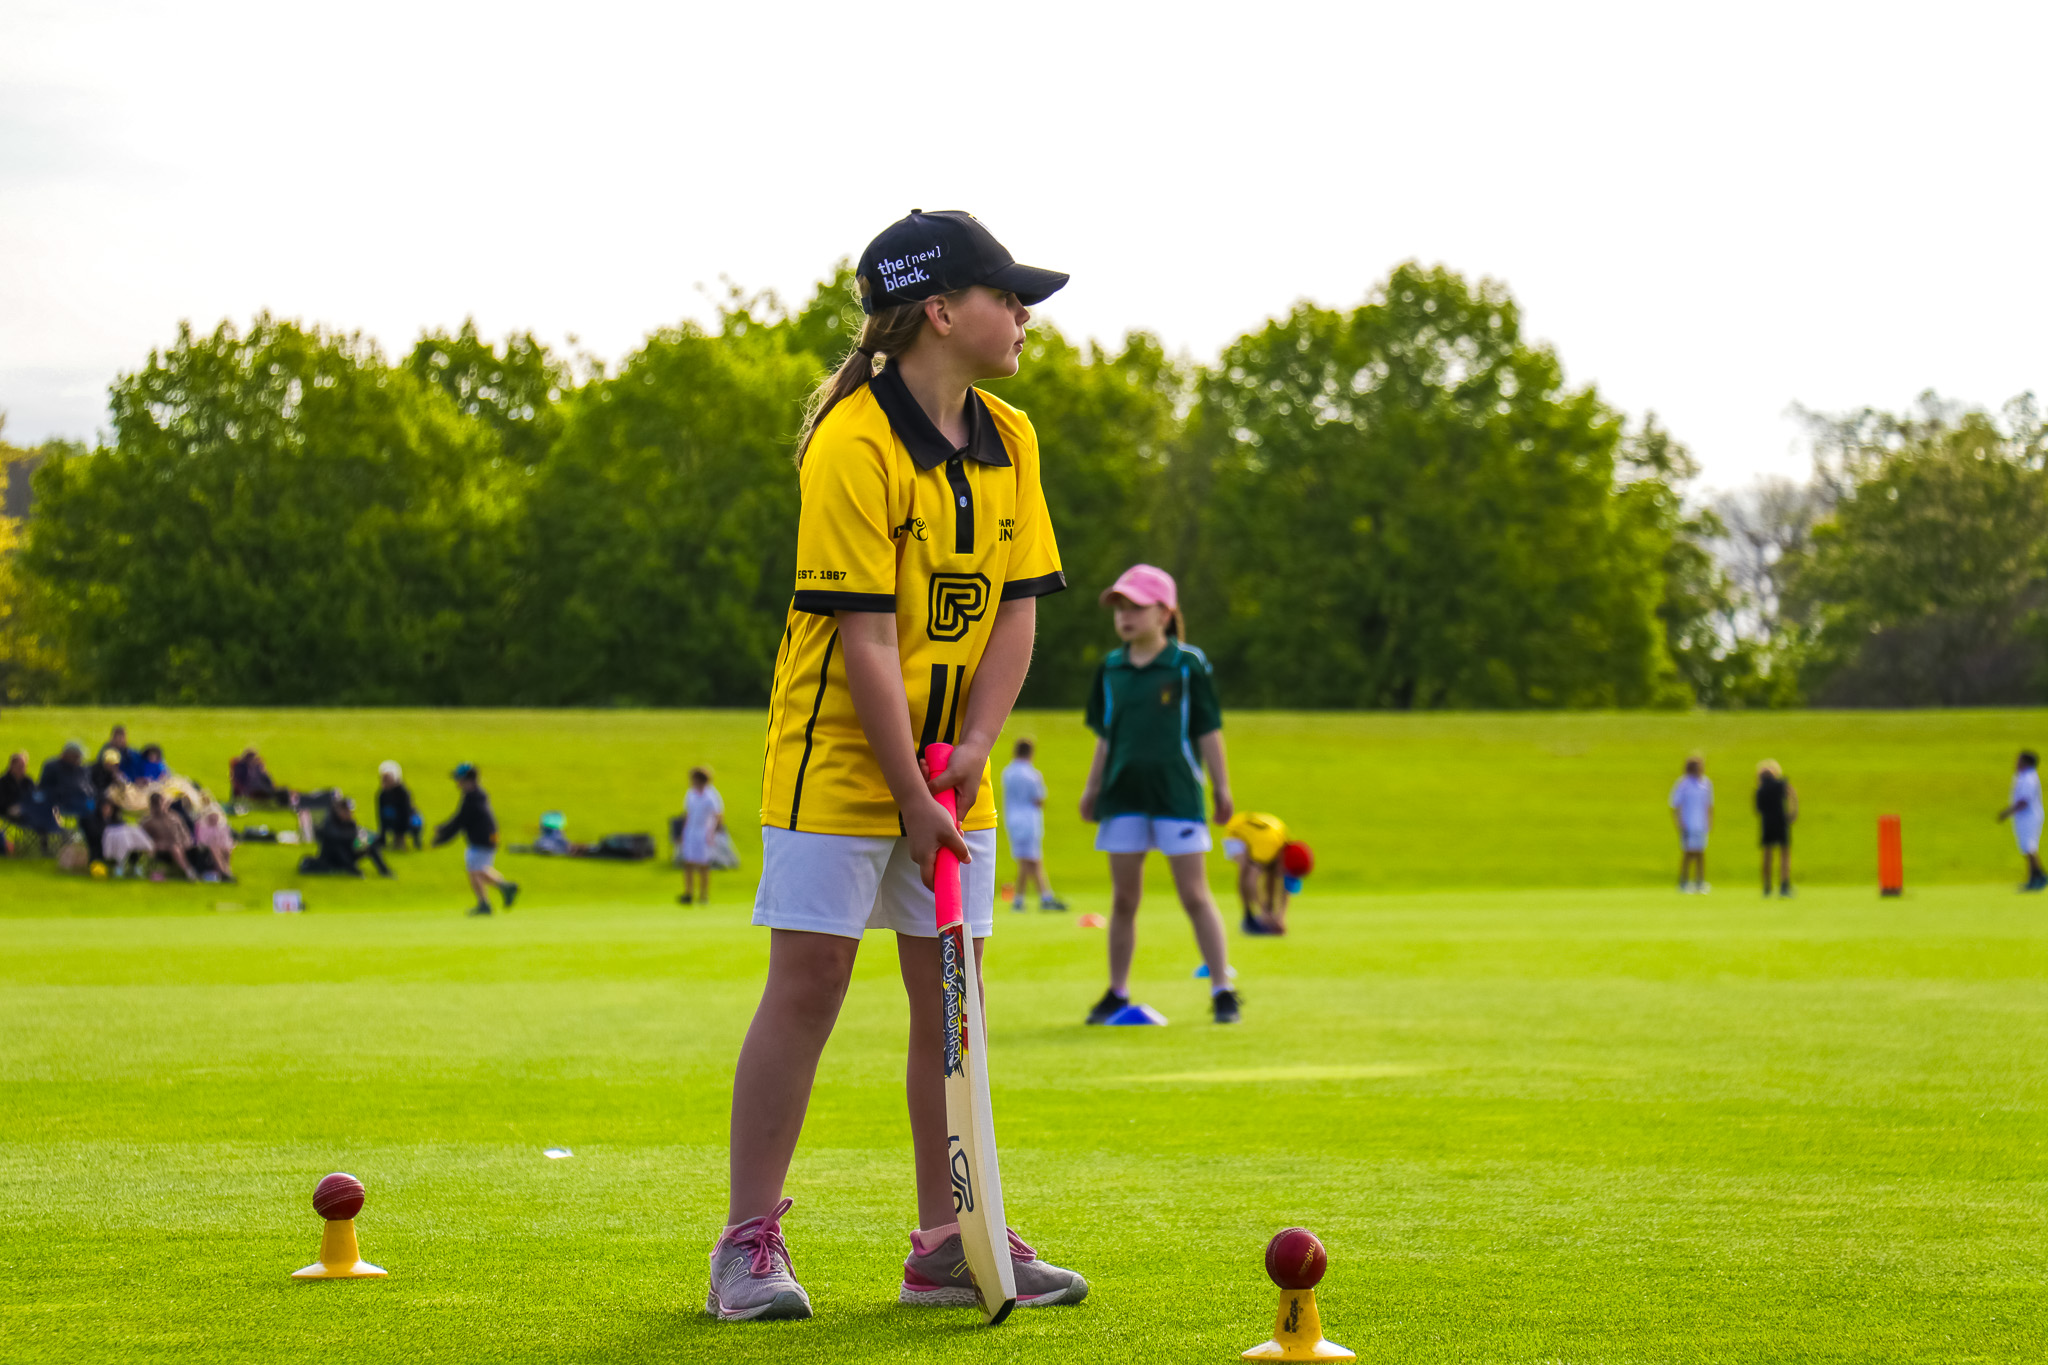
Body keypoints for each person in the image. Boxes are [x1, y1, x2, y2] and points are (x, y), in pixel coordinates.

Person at [719, 211, 1087, 1324]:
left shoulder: (1010, 436)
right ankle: (744, 1245)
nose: (1022, 316)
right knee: (812, 983)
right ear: (938, 310)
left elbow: (1015, 613)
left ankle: (948, 1240)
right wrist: (910, 793)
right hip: (836, 758)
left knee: (948, 996)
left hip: (948, 765)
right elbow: (863, 638)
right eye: (1004, 297)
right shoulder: (852, 443)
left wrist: (969, 756)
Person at [1078, 563, 1240, 1025]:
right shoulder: (1110, 670)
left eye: (1136, 607)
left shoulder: (1189, 665)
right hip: (1123, 796)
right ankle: (1117, 991)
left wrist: (1222, 786)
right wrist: (1092, 789)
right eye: (1119, 608)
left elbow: (1208, 729)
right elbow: (1105, 736)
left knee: (1194, 894)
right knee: (1124, 899)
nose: (1125, 616)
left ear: (1164, 614)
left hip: (1177, 796)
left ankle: (1223, 989)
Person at [435, 763, 517, 915]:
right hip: (486, 838)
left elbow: (460, 820)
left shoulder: (473, 798)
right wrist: (444, 831)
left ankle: (484, 904)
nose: (457, 782)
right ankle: (505, 887)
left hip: (482, 839)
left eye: (459, 779)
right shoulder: (474, 796)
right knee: (479, 871)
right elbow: (460, 820)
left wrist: (443, 836)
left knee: (474, 871)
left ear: (468, 779)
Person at [1000, 739, 1066, 912]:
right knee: (1033, 860)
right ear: (1030, 753)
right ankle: (1045, 898)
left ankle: (1020, 900)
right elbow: (1039, 800)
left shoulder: (1008, 772)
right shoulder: (1032, 774)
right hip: (1029, 820)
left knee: (1025, 861)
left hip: (1012, 820)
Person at [1223, 809, 1289, 935]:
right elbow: (1251, 881)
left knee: (1271, 870)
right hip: (1237, 832)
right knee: (1245, 869)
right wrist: (1262, 910)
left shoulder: (1285, 850)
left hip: (1262, 832)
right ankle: (1249, 915)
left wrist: (1281, 917)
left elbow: (1289, 883)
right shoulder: (1265, 850)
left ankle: (1270, 912)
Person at [301, 795, 392, 878]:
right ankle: (352, 869)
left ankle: (384, 870)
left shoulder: (350, 822)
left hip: (348, 853)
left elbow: (354, 835)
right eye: (347, 811)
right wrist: (355, 837)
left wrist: (369, 839)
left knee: (370, 844)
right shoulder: (329, 823)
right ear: (339, 810)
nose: (350, 814)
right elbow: (336, 837)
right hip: (332, 859)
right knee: (337, 845)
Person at [1996, 749, 2046, 892]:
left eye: (2019, 759)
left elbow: (2024, 801)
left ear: (2025, 762)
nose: (2016, 762)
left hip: (2029, 816)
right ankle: (2036, 877)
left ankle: (2038, 877)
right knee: (2027, 848)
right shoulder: (2023, 776)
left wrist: (2007, 812)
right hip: (2024, 816)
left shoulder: (2029, 778)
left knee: (2029, 847)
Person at [676, 766, 726, 905]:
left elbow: (718, 815)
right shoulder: (690, 793)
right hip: (691, 832)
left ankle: (704, 895)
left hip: (704, 833)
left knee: (704, 865)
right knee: (688, 863)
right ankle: (688, 893)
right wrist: (682, 833)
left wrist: (714, 832)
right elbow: (688, 814)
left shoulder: (711, 795)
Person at [1670, 755, 1713, 893]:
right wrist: (1679, 823)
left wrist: (1709, 821)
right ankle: (1683, 882)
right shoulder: (1683, 784)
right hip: (1688, 823)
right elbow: (1675, 804)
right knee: (1688, 853)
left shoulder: (1706, 783)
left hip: (1701, 824)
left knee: (1700, 853)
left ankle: (1700, 882)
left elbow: (1709, 805)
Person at [1755, 760, 1796, 897]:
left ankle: (1767, 886)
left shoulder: (1760, 790)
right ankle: (1784, 885)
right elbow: (1792, 794)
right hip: (1781, 821)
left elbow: (1758, 810)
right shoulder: (1780, 785)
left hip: (1767, 823)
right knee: (1784, 854)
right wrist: (1793, 811)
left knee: (1767, 854)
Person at [139, 792, 199, 881]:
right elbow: (141, 837)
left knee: (196, 848)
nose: (159, 807)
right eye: (156, 804)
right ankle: (188, 872)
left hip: (180, 844)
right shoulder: (148, 821)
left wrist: (186, 842)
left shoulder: (174, 817)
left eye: (161, 803)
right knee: (175, 848)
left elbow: (184, 832)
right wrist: (154, 844)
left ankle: (207, 873)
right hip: (162, 847)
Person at [99, 799, 155, 876]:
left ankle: (134, 866)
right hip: (106, 842)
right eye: (105, 808)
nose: (107, 810)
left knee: (133, 843)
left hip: (122, 841)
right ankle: (119, 865)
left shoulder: (116, 819)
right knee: (127, 842)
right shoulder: (97, 820)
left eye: (109, 808)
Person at [375, 761, 420, 851]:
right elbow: (380, 816)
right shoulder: (382, 795)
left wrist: (400, 833)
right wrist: (382, 837)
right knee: (388, 814)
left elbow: (405, 814)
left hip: (408, 820)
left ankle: (406, 840)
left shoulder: (403, 793)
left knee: (415, 822)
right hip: (393, 819)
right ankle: (395, 840)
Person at [193, 809, 237, 881]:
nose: (213, 819)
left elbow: (226, 840)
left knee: (227, 850)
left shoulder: (223, 827)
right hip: (206, 847)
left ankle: (227, 869)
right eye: (211, 817)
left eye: (215, 817)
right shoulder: (203, 827)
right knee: (214, 849)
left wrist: (225, 845)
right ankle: (223, 871)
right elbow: (202, 841)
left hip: (221, 846)